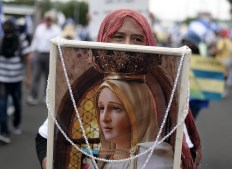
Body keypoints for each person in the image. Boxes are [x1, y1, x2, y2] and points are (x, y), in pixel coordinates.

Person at [35, 9, 201, 169]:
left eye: (137, 39)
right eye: (119, 37)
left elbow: (185, 149)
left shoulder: (160, 150)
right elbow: (45, 138)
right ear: (105, 40)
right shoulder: (95, 160)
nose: (128, 46)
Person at [83, 68, 174, 168]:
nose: (104, 118)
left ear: (138, 113)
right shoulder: (103, 160)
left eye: (115, 108)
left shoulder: (155, 162)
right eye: (101, 108)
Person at [0, 19, 31, 143]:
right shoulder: (1, 40)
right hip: (3, 79)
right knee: (2, 105)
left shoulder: (20, 40)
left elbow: (27, 58)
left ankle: (15, 125)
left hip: (16, 79)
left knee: (16, 103)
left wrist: (28, 77)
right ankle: (4, 132)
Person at [27, 11, 61, 105]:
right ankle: (33, 96)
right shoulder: (40, 28)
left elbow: (58, 44)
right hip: (39, 53)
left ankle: (46, 97)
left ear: (52, 20)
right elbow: (35, 41)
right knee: (36, 75)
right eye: (47, 19)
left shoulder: (56, 30)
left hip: (50, 54)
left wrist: (57, 57)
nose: (48, 21)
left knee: (48, 77)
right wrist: (31, 52)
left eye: (50, 19)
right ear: (45, 19)